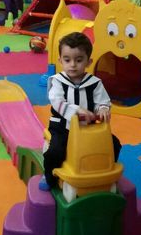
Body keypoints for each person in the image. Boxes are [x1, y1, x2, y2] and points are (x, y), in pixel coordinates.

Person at [40, 32, 121, 191]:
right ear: (60, 60)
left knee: (114, 144)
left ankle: (103, 171)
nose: (73, 65)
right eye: (67, 60)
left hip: (88, 128)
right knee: (55, 151)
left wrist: (103, 109)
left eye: (78, 60)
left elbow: (102, 101)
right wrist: (77, 111)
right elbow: (57, 101)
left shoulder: (95, 83)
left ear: (88, 62)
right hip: (62, 127)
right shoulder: (57, 81)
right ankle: (49, 175)